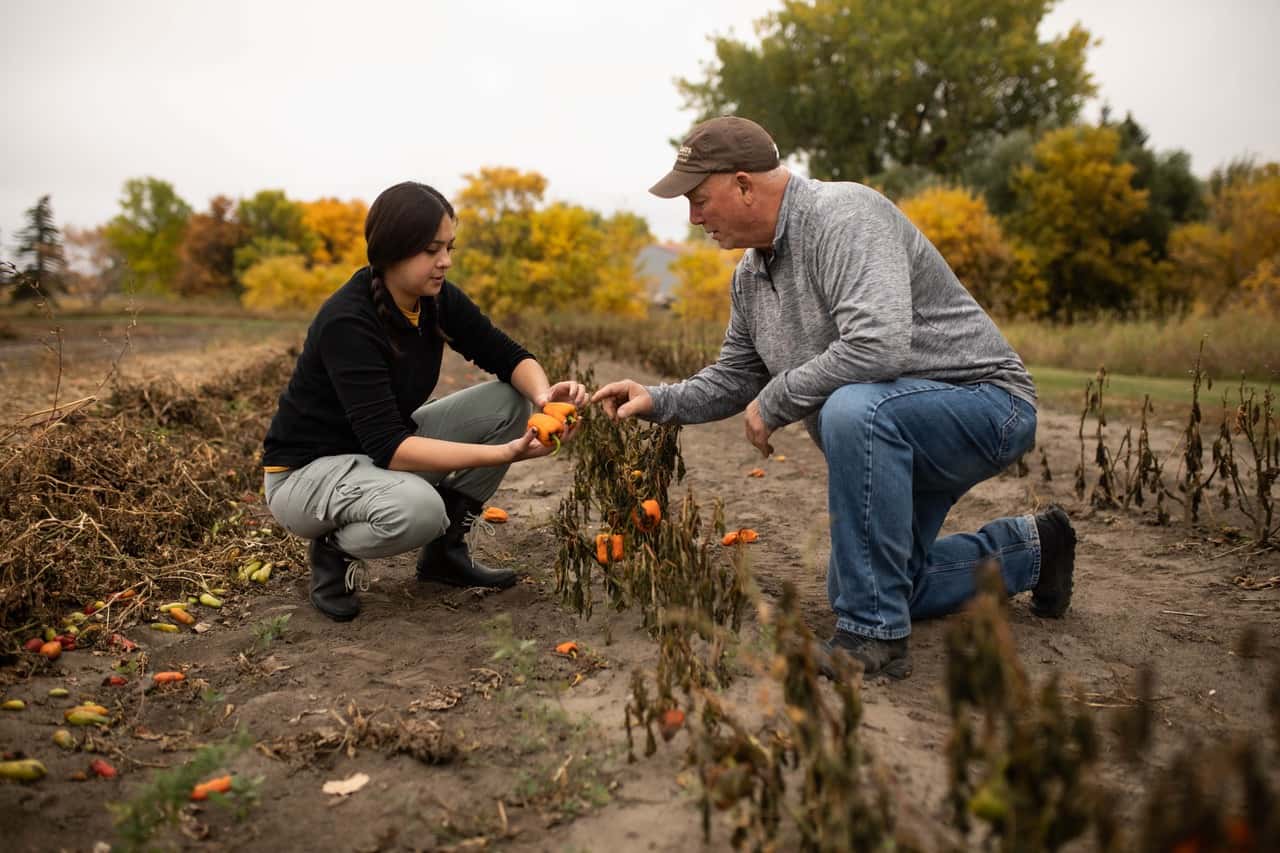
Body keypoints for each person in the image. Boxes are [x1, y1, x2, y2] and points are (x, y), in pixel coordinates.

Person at [592, 117, 1075, 680]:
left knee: (852, 409)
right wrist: (654, 399)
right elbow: (735, 376)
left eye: (700, 200)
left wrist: (779, 399)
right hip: (895, 429)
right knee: (876, 582)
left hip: (985, 404)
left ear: (744, 185)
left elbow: (879, 346)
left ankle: (874, 639)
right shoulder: (751, 279)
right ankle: (1037, 548)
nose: (694, 218)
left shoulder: (843, 216)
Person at [261, 181, 585, 622]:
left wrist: (545, 398)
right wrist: (504, 454)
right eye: (433, 249)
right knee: (419, 510)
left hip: (371, 455)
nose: (445, 261)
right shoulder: (349, 321)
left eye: (449, 247)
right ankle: (333, 552)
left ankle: (445, 556)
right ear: (395, 249)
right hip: (306, 476)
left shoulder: (433, 299)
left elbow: (508, 356)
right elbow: (390, 448)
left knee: (510, 401)